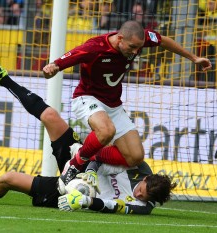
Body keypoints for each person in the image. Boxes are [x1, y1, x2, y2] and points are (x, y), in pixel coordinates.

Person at [0, 55, 176, 215]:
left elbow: (122, 207)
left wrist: (86, 201)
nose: (139, 193)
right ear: (145, 179)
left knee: (8, 179)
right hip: (78, 164)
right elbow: (102, 155)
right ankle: (3, 80)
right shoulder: (139, 167)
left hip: (66, 188)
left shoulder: (142, 204)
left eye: (143, 195)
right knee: (51, 116)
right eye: (141, 188)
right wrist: (90, 168)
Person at [42, 20, 212, 186]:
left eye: (139, 47)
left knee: (135, 157)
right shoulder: (94, 48)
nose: (136, 51)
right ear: (120, 38)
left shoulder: (138, 40)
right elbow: (62, 61)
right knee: (106, 131)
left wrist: (194, 58)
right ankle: (75, 165)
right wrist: (52, 67)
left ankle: (89, 154)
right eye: (132, 47)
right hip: (87, 98)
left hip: (113, 105)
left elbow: (164, 41)